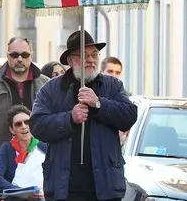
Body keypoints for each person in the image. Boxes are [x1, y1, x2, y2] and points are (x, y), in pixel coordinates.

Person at [30, 31, 137, 201]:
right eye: (84, 55)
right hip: (64, 187)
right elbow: (37, 125)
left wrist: (99, 104)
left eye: (94, 54)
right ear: (71, 60)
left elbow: (130, 116)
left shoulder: (113, 85)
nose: (91, 59)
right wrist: (69, 118)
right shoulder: (51, 89)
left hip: (105, 186)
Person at [0, 37, 49, 171]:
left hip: (40, 159)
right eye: (14, 55)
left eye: (24, 55)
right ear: (7, 56)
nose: (19, 59)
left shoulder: (46, 84)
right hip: (3, 161)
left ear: (31, 56)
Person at [0, 105, 45, 197]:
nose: (24, 126)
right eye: (18, 124)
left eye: (27, 122)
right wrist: (20, 192)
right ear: (12, 129)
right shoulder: (7, 148)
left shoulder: (43, 146)